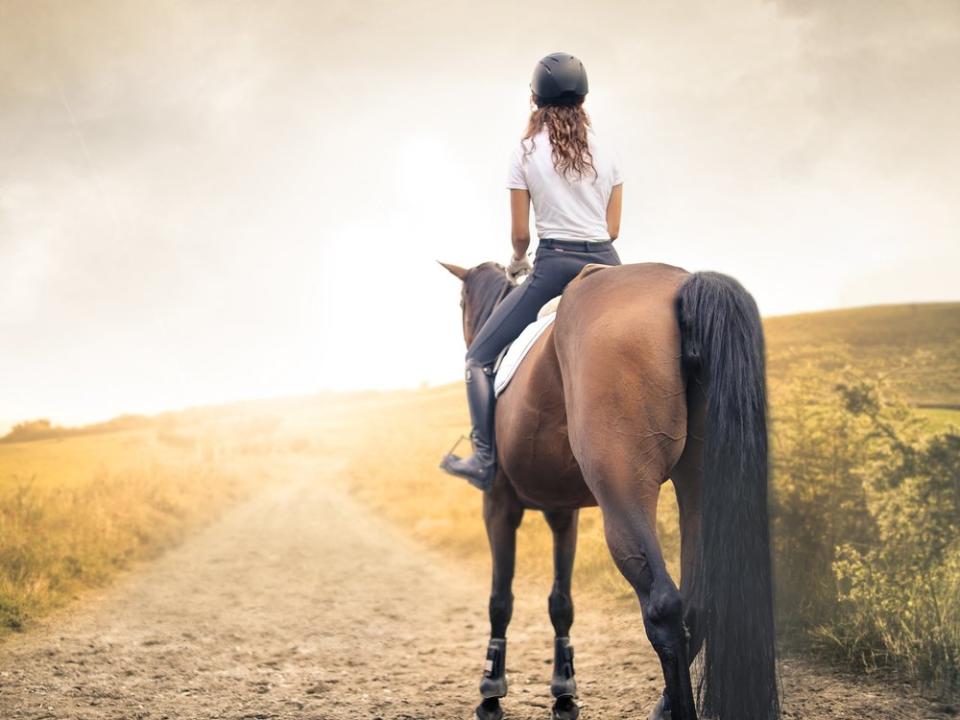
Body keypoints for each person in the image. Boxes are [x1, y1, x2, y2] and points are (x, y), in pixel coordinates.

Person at [440, 52, 624, 491]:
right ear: (584, 99)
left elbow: (520, 235)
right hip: (608, 265)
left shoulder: (524, 153)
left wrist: (518, 261)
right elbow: (612, 230)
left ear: (533, 100)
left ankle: (484, 461)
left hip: (554, 267)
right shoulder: (608, 152)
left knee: (478, 359)